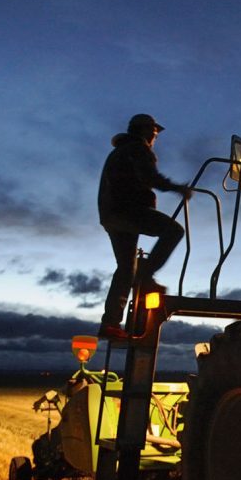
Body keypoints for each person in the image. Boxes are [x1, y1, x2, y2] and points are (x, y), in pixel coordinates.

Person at [97, 113, 192, 340]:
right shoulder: (138, 149)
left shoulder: (119, 152)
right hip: (128, 211)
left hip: (112, 216)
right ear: (143, 130)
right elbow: (150, 177)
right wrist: (178, 188)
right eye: (153, 131)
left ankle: (110, 324)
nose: (155, 136)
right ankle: (146, 274)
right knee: (174, 230)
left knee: (126, 268)